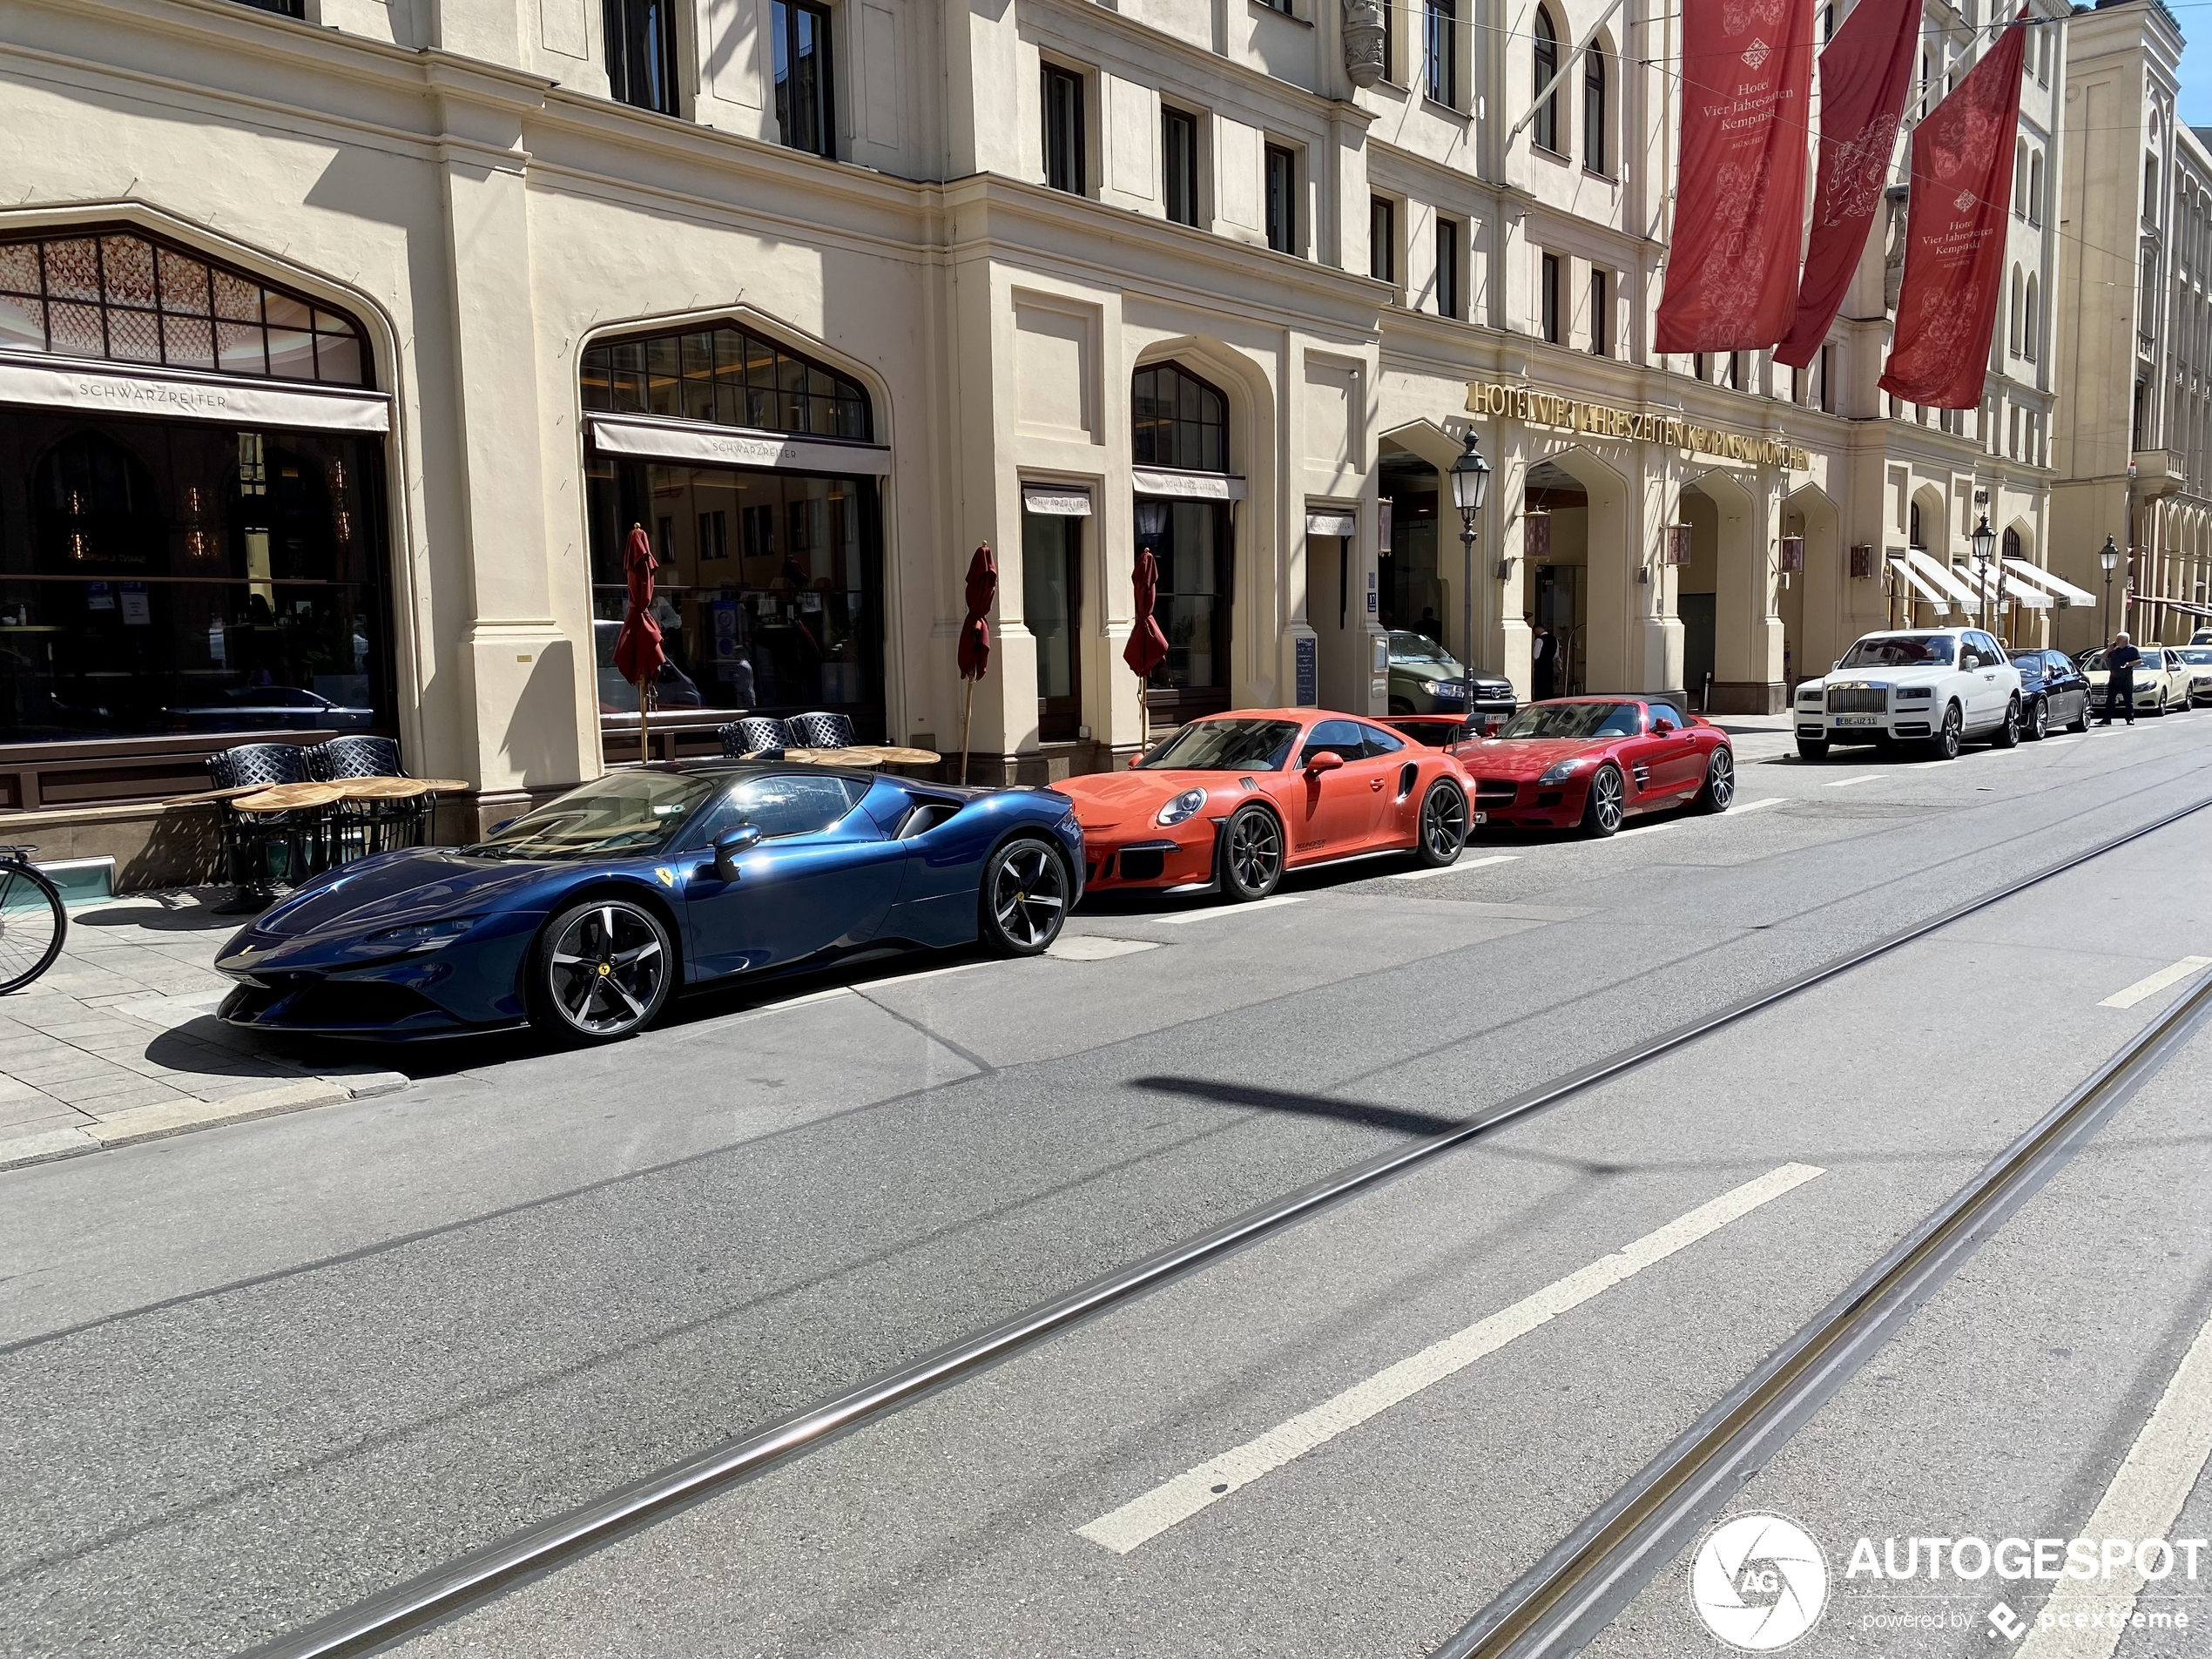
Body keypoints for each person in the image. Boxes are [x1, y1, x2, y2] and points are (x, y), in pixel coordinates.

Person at [2097, 630, 2141, 726]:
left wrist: (2129, 664)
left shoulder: (2132, 649)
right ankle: (2107, 719)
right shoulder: (2114, 649)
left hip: (2126, 678)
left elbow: (2139, 661)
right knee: (2110, 699)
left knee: (2128, 699)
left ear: (2126, 641)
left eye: (2119, 639)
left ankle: (2130, 719)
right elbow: (2103, 657)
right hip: (2114, 678)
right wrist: (2109, 650)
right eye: (2117, 639)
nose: (2117, 641)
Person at [1531, 623, 1557, 700]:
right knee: (1549, 686)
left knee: (1540, 687)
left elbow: (1536, 656)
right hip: (1550, 666)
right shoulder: (1554, 639)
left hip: (1540, 667)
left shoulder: (1539, 640)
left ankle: (1540, 702)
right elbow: (1556, 655)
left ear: (1537, 630)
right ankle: (1550, 702)